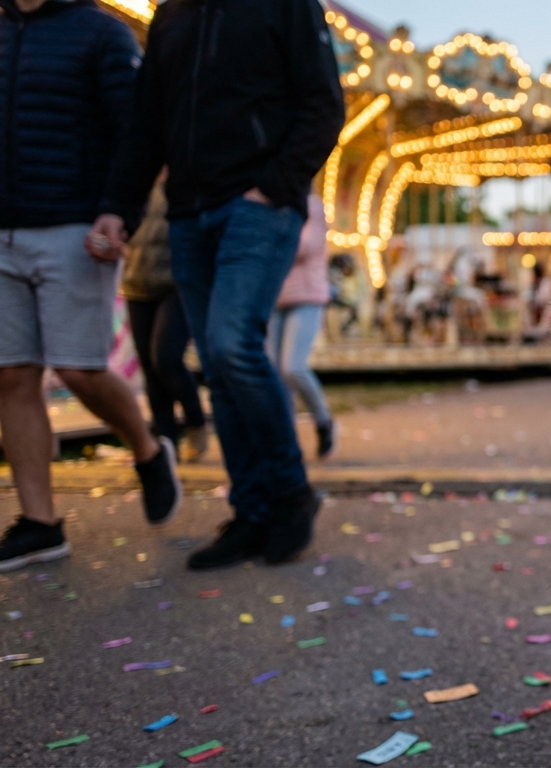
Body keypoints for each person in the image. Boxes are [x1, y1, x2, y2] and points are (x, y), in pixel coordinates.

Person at [92, 0, 345, 570]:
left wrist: (275, 185)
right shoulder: (172, 15)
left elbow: (324, 104)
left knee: (233, 344)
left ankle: (290, 492)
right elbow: (147, 123)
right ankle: (251, 510)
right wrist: (119, 207)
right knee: (217, 361)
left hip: (257, 206)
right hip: (189, 212)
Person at [0, 0, 181, 572]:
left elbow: (135, 131)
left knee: (79, 368)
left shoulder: (102, 32)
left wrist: (117, 211)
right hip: (2, 228)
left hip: (76, 226)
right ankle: (40, 523)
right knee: (11, 374)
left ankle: (148, 450)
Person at [122, 177, 209, 462]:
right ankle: (165, 444)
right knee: (149, 368)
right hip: (136, 282)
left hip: (175, 283)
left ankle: (196, 420)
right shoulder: (133, 183)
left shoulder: (185, 179)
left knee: (166, 358)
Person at [268, 195, 335, 459]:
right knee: (274, 374)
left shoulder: (311, 205)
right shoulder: (270, 204)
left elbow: (304, 246)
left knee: (292, 367)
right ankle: (285, 440)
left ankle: (323, 420)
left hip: (307, 296)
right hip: (274, 297)